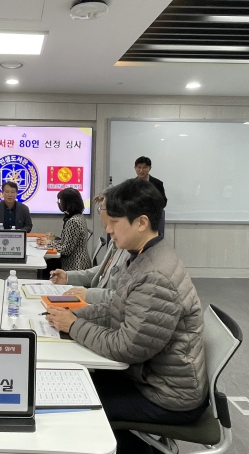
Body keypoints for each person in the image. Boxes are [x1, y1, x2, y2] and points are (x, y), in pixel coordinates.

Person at [45, 179, 208, 454]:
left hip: (166, 394)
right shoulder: (145, 255)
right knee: (76, 382)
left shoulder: (154, 275)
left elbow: (126, 347)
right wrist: (70, 316)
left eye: (114, 222)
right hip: (151, 376)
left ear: (141, 222)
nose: (108, 230)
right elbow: (114, 307)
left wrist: (73, 326)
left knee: (74, 406)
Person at [49, 193, 129, 304]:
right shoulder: (115, 242)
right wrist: (68, 277)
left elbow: (124, 299)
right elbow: (103, 270)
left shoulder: (133, 253)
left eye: (113, 223)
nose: (108, 230)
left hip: (76, 266)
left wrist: (88, 294)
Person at [37, 188, 91, 271]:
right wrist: (54, 239)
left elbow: (66, 250)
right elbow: (68, 242)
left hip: (75, 266)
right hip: (78, 263)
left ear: (67, 202)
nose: (58, 203)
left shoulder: (73, 221)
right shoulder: (79, 216)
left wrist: (49, 243)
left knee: (47, 267)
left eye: (60, 201)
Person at [134, 156, 166, 236]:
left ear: (150, 168)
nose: (141, 170)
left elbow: (163, 201)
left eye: (144, 167)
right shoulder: (130, 184)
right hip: (136, 216)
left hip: (153, 215)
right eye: (139, 167)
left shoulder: (157, 183)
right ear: (135, 168)